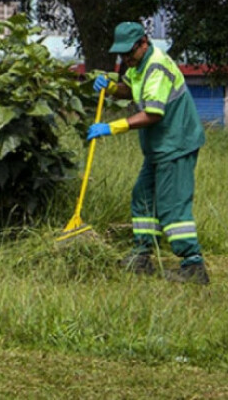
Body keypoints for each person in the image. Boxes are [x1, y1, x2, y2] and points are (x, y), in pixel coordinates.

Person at [88, 22, 209, 284]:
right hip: (159, 148)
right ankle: (141, 255)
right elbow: (130, 89)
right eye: (121, 55)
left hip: (177, 144)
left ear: (143, 43)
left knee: (172, 206)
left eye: (129, 53)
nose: (126, 59)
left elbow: (153, 114)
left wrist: (112, 127)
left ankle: (193, 265)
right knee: (142, 196)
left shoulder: (156, 66)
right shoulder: (138, 66)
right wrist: (110, 88)